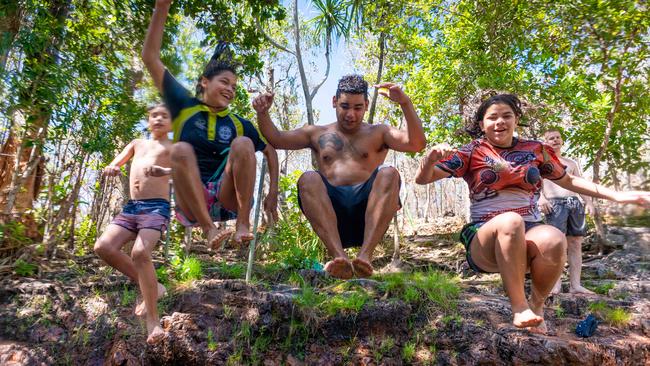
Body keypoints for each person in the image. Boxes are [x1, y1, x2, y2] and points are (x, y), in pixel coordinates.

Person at [415, 94, 650, 333]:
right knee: (510, 221)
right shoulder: (471, 151)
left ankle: (536, 307)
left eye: (507, 116)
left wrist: (618, 196)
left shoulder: (535, 150)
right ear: (481, 124)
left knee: (554, 237)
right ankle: (519, 307)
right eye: (492, 117)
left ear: (517, 119)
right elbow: (423, 179)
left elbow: (569, 180)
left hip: (528, 233)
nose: (500, 122)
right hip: (485, 238)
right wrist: (429, 161)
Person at [253, 75, 426, 279]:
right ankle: (340, 260)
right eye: (345, 106)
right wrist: (263, 113)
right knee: (308, 178)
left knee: (389, 173)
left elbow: (416, 144)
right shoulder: (316, 133)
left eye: (358, 107)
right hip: (332, 216)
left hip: (369, 215)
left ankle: (364, 258)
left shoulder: (379, 132)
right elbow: (277, 139)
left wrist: (405, 103)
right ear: (334, 102)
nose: (351, 114)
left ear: (367, 106)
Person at [141, 0, 278, 248]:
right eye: (224, 82)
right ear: (205, 82)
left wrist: (273, 193)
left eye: (234, 86)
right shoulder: (184, 106)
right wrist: (161, 7)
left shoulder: (238, 122)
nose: (230, 89)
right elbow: (150, 58)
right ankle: (209, 230)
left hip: (226, 198)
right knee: (181, 149)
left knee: (245, 143)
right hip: (190, 201)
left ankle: (243, 226)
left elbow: (269, 150)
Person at [94, 104, 173, 344]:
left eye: (165, 115)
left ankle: (153, 321)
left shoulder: (173, 146)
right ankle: (154, 286)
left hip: (156, 207)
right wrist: (113, 167)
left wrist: (164, 170)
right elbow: (118, 161)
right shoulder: (137, 143)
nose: (159, 118)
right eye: (154, 115)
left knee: (140, 252)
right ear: (149, 121)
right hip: (132, 208)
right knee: (103, 247)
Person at [539, 128, 595, 294]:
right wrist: (541, 198)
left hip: (574, 204)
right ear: (545, 142)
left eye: (557, 137)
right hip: (555, 205)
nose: (555, 140)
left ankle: (575, 285)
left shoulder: (571, 163)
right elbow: (534, 184)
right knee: (556, 245)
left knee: (576, 243)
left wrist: (589, 202)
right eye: (551, 138)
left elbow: (579, 184)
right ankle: (555, 285)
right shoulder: (542, 162)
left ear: (562, 140)